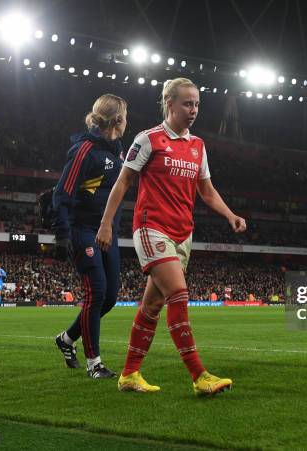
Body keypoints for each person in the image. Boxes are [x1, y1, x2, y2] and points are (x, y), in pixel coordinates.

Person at [96, 77, 246, 395]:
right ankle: (199, 376)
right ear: (170, 104)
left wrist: (230, 214)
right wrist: (106, 223)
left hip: (183, 234)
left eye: (196, 105)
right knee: (178, 293)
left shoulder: (198, 146)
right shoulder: (148, 139)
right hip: (152, 228)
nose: (193, 110)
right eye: (187, 103)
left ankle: (129, 375)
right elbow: (123, 182)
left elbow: (205, 190)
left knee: (152, 306)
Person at [52, 94, 127, 378]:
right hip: (83, 231)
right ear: (118, 120)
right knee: (96, 293)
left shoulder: (117, 149)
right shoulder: (84, 150)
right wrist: (62, 235)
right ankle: (94, 364)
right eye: (126, 116)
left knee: (109, 298)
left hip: (108, 232)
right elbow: (63, 192)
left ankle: (67, 339)